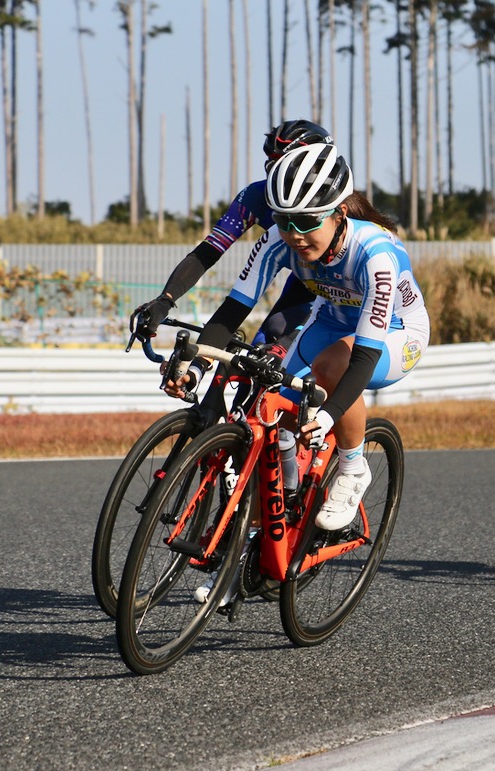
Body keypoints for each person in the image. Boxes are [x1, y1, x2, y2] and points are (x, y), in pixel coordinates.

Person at [168, 142, 428, 530]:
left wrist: (329, 415)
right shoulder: (277, 241)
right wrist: (198, 364)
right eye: (285, 221)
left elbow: (364, 356)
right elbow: (233, 310)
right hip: (331, 322)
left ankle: (354, 469)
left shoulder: (376, 255)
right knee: (265, 409)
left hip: (395, 333)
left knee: (332, 366)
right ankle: (262, 528)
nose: (294, 234)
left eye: (307, 222)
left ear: (340, 213)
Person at [130, 119, 333, 344]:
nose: (275, 173)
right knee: (260, 346)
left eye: (284, 164)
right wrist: (165, 300)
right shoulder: (257, 196)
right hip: (303, 281)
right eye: (271, 163)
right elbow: (207, 253)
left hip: (341, 292)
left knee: (279, 343)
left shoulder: (341, 203)